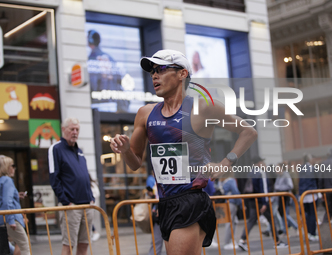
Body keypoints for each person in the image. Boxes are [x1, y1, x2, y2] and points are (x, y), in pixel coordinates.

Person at [110, 49, 257, 255]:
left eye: (161, 69)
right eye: (152, 70)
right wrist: (125, 150)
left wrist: (225, 164)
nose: (154, 75)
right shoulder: (145, 114)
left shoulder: (203, 107)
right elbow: (134, 163)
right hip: (165, 203)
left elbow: (248, 132)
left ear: (182, 74)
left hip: (192, 199)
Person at [48, 117, 95, 255]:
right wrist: (66, 202)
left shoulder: (79, 150)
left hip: (87, 205)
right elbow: (54, 178)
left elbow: (86, 176)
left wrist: (91, 198)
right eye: (72, 129)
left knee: (84, 244)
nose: (75, 132)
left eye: (77, 129)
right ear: (63, 130)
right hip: (71, 206)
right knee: (68, 246)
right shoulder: (55, 149)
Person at [238, 156, 287, 251]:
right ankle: (277, 242)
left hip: (253, 201)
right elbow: (264, 188)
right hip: (261, 201)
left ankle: (242, 240)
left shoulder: (251, 173)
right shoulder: (261, 173)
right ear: (259, 162)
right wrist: (265, 202)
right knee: (272, 220)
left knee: (251, 221)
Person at [0, 155, 30, 255]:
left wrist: (16, 195)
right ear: (7, 167)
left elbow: (1, 198)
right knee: (24, 245)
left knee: (2, 246)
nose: (14, 168)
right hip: (9, 218)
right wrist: (11, 220)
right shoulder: (7, 180)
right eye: (12, 165)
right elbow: (7, 201)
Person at [299, 154, 319, 241]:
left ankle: (308, 233)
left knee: (307, 214)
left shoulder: (301, 168)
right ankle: (312, 233)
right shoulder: (311, 168)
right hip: (311, 192)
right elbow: (316, 179)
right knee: (312, 214)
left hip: (303, 194)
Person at [220, 172, 242, 250]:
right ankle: (228, 242)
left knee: (231, 222)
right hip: (232, 203)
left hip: (227, 202)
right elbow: (236, 192)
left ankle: (230, 241)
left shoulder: (222, 181)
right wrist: (241, 203)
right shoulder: (231, 180)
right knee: (230, 223)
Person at [274, 164, 298, 235]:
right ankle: (286, 229)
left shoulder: (286, 175)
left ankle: (294, 227)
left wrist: (280, 188)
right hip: (280, 197)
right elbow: (275, 186)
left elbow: (290, 185)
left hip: (286, 197)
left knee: (285, 214)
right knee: (283, 214)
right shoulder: (279, 176)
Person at [89, 174, 100, 242]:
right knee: (88, 220)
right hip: (90, 204)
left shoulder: (92, 184)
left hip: (91, 204)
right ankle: (93, 232)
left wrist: (91, 198)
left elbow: (97, 194)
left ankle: (95, 232)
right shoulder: (92, 184)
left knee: (88, 220)